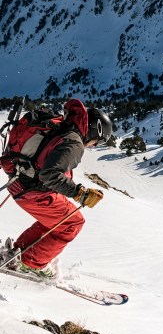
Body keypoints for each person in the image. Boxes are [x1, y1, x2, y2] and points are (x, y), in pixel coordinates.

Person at [5, 99, 113, 278]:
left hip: (19, 183)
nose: (94, 145)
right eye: (98, 142)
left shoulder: (63, 126)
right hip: (33, 191)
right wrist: (79, 193)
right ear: (96, 131)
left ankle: (18, 254)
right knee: (72, 223)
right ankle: (30, 263)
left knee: (57, 221)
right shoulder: (74, 142)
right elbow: (49, 175)